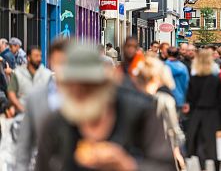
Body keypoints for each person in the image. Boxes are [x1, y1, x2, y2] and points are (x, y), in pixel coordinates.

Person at [35, 43, 176, 171]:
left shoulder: (139, 110)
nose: (79, 93)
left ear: (104, 84)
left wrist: (127, 165)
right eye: (71, 86)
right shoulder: (56, 122)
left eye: (88, 86)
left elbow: (165, 165)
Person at [15, 39, 68, 171]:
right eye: (59, 61)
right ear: (51, 61)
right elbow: (24, 146)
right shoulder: (36, 99)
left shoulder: (86, 98)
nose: (63, 66)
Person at [134, 55, 186, 170]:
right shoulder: (165, 100)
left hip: (136, 157)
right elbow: (173, 131)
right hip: (161, 156)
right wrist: (178, 151)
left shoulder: (130, 99)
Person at [185, 49, 221, 171]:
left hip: (198, 114)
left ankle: (203, 168)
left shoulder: (193, 79)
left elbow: (190, 99)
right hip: (214, 115)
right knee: (216, 144)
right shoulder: (215, 80)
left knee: (200, 144)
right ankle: (216, 168)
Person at [7, 46, 52, 113]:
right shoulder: (18, 73)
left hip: (42, 114)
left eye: (40, 56)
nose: (39, 59)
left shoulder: (47, 74)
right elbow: (11, 93)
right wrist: (20, 107)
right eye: (36, 56)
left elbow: (53, 95)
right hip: (22, 113)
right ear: (28, 58)